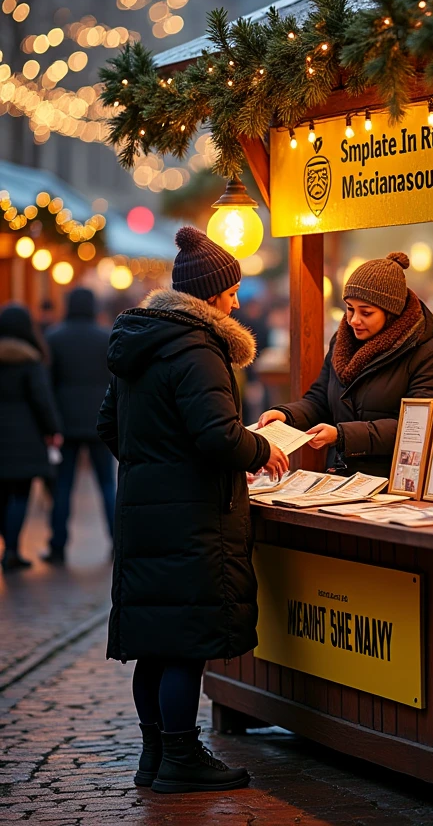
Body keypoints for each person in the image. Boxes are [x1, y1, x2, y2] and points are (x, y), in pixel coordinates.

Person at [97, 227, 288, 794]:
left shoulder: (141, 341)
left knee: (154, 643)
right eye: (230, 290)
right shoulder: (197, 347)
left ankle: (154, 755)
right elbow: (215, 437)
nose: (236, 299)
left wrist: (155, 464)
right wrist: (262, 448)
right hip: (192, 516)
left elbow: (110, 426)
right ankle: (180, 757)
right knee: (184, 639)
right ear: (209, 295)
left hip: (144, 510)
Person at [259, 252, 433, 478]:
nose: (354, 320)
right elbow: (319, 399)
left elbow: (419, 427)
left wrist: (342, 436)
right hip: (340, 478)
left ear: (392, 312)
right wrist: (285, 416)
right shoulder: (342, 343)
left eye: (366, 312)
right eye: (350, 309)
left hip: (393, 482)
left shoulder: (431, 356)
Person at [44, 288, 114, 564]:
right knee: (107, 484)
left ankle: (57, 545)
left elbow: (48, 383)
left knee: (62, 486)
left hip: (66, 422)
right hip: (100, 420)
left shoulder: (54, 337)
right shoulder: (105, 337)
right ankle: (116, 541)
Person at [0, 304, 61, 572]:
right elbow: (42, 401)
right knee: (21, 495)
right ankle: (12, 550)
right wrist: (53, 430)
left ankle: (8, 547)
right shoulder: (31, 360)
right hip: (26, 437)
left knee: (1, 495)